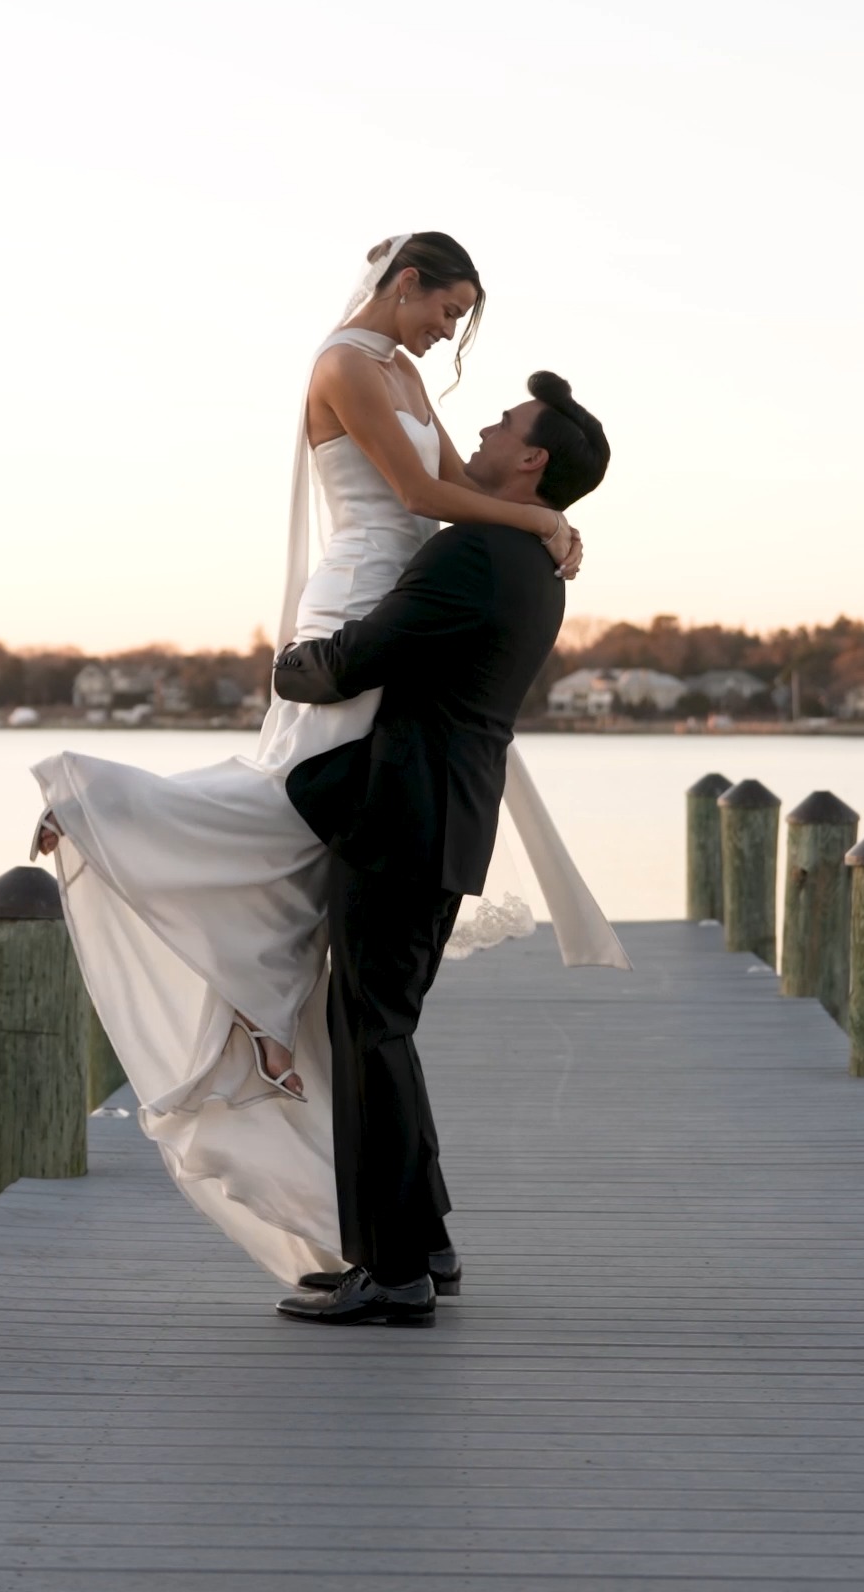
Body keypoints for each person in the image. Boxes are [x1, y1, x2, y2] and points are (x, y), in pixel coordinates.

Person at [31, 233, 628, 1288]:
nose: (451, 337)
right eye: (448, 311)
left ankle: (380, 1216)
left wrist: (534, 520)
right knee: (294, 809)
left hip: (401, 637)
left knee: (322, 853)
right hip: (363, 600)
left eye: (460, 321)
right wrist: (539, 517)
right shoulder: (349, 364)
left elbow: (447, 480)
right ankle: (124, 835)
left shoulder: (403, 385)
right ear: (406, 286)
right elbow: (417, 489)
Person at [273, 372, 610, 1326]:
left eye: (507, 423)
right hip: (440, 819)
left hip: (404, 820)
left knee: (368, 1031)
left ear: (532, 460)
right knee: (383, 1028)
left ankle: (393, 1274)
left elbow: (359, 656)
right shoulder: (529, 561)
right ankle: (421, 1245)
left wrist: (281, 669)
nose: (490, 425)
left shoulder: (478, 556)